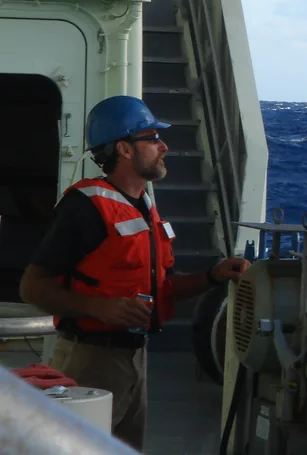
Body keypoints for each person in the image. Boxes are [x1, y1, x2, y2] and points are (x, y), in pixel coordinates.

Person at [19, 95, 249, 452]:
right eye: (153, 138)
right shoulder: (85, 207)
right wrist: (99, 307)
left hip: (134, 362)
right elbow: (32, 287)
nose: (164, 146)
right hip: (90, 362)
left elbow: (163, 289)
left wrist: (213, 276)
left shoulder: (143, 207)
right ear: (124, 149)